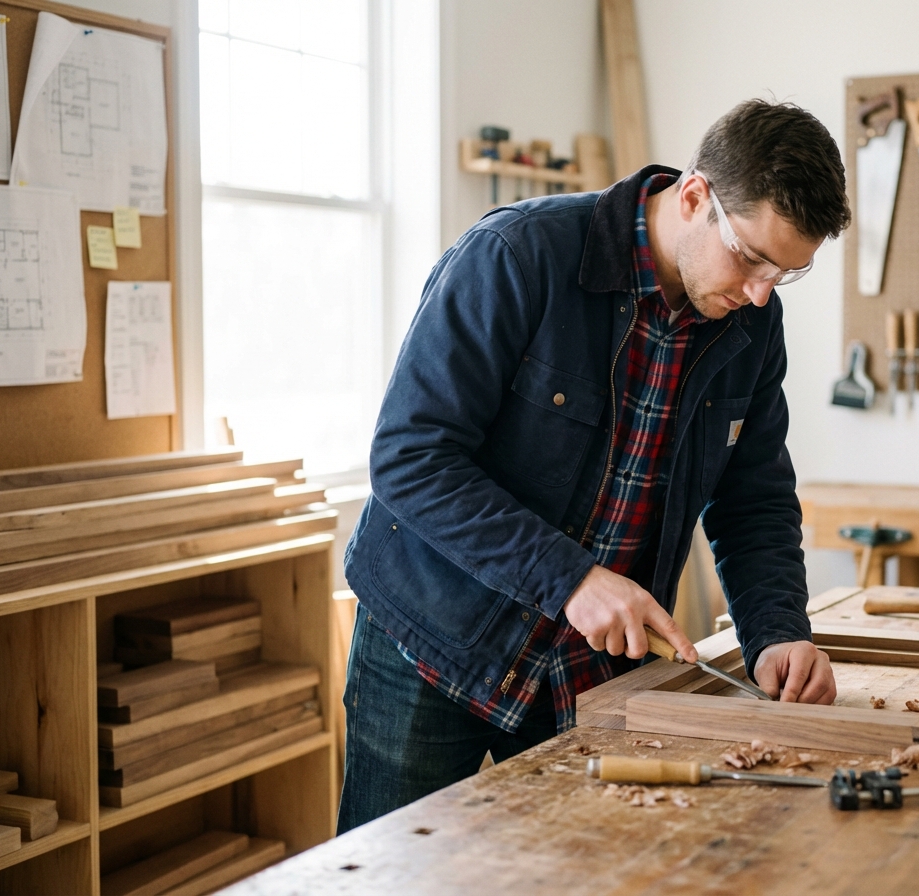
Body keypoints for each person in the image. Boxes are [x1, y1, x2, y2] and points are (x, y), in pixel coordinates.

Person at [338, 98, 852, 832]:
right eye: (750, 257)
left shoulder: (751, 321)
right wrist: (571, 578)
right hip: (435, 642)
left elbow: (754, 498)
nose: (760, 293)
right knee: (391, 871)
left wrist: (776, 631)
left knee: (575, 869)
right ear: (695, 196)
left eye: (786, 272)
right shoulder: (517, 256)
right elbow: (409, 458)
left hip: (584, 672)